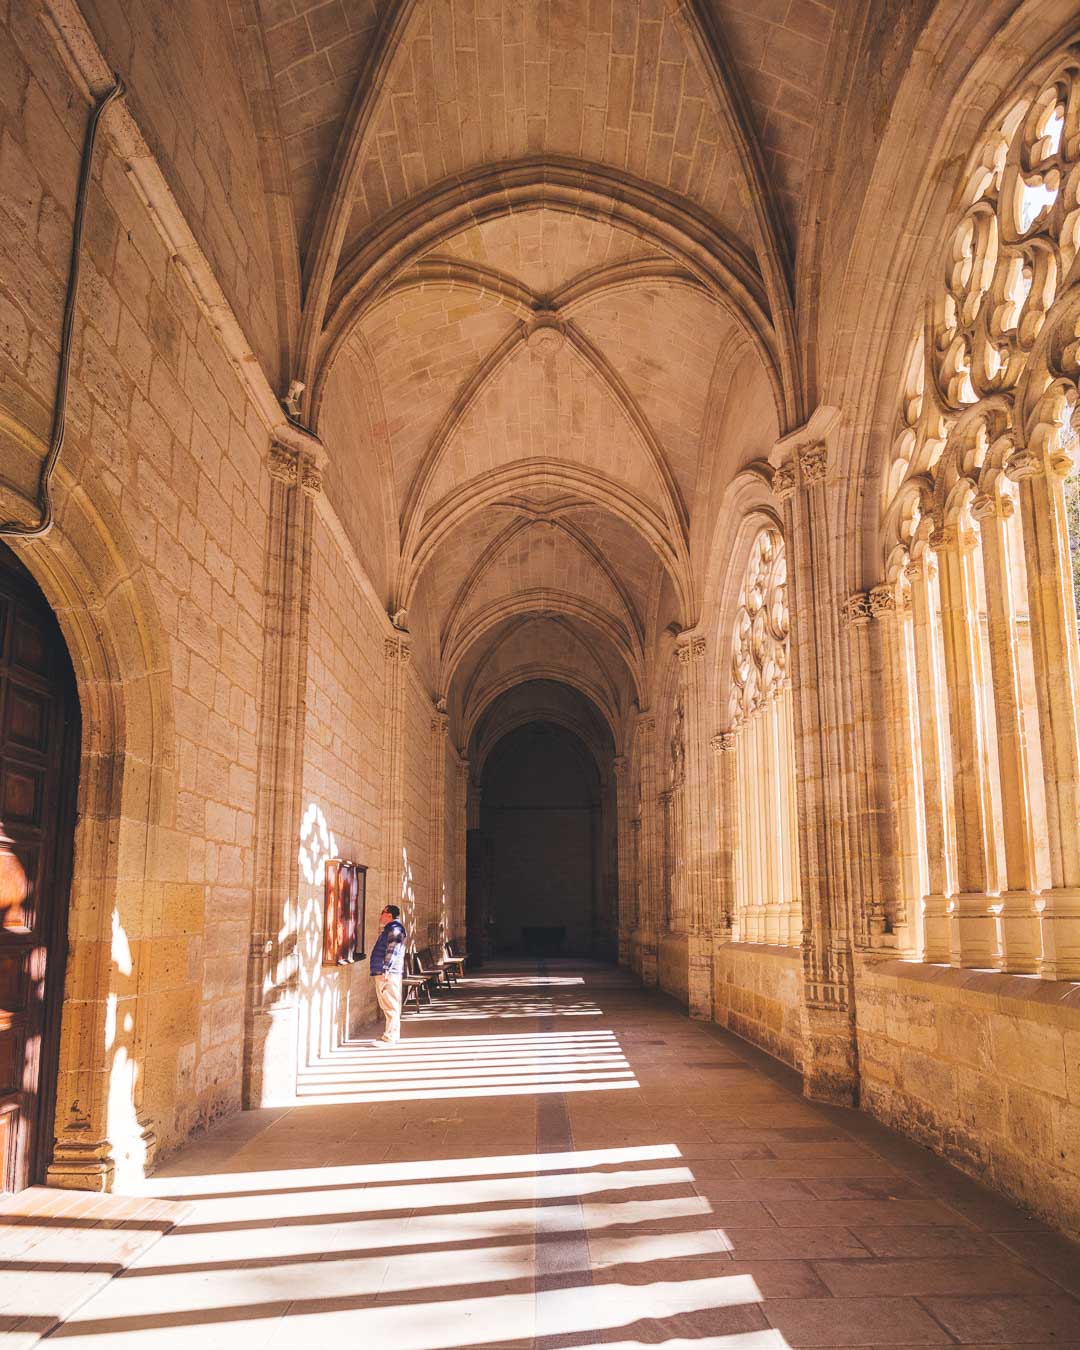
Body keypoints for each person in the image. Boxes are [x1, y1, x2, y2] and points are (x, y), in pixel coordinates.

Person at [369, 904, 406, 1045]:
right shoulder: (391, 929)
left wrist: (386, 969)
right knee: (389, 1005)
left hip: (388, 973)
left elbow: (393, 951)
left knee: (390, 1005)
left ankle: (390, 1037)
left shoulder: (395, 929)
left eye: (382, 913)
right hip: (387, 972)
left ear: (389, 915)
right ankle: (391, 1035)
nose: (380, 916)